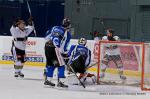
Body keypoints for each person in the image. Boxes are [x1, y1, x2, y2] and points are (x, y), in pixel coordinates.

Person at [44, 18, 71, 88]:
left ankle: (48, 80)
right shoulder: (67, 34)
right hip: (55, 48)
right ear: (69, 26)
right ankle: (61, 82)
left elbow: (47, 36)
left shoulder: (54, 27)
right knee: (61, 65)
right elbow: (64, 46)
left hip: (47, 46)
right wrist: (64, 53)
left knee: (51, 64)